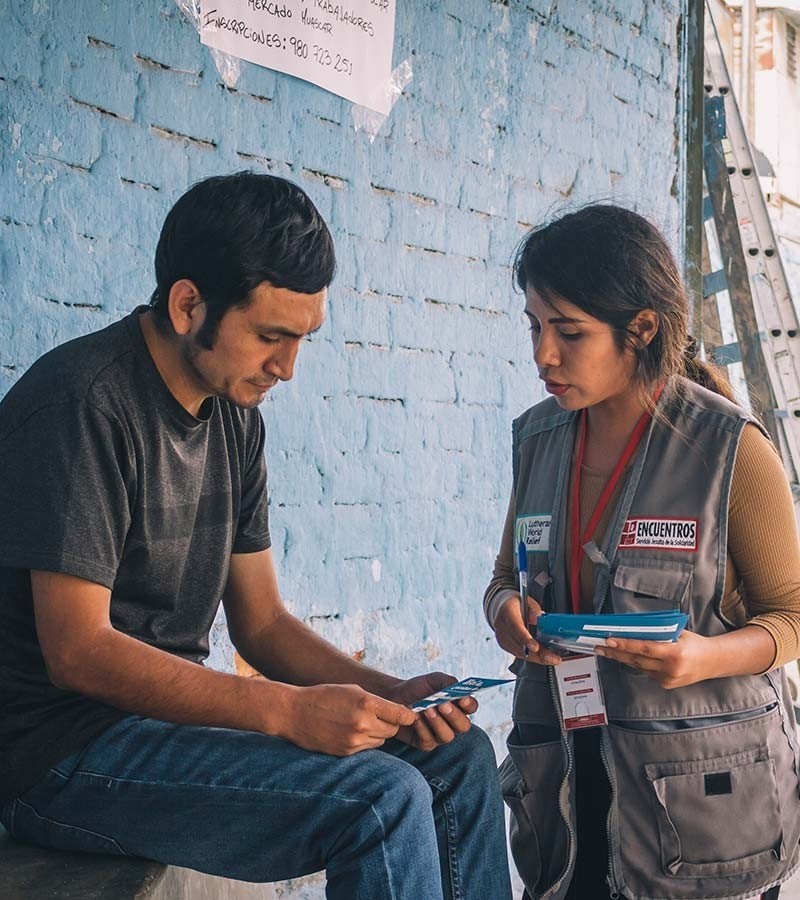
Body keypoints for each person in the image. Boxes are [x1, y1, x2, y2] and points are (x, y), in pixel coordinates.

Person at [0, 171, 513, 900]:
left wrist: (392, 694)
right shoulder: (84, 406)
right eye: (270, 336)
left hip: (164, 732)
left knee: (455, 761)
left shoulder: (234, 416)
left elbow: (263, 622)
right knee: (382, 798)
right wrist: (286, 711)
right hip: (59, 755)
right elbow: (78, 652)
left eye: (302, 339)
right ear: (188, 305)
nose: (288, 367)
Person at [484, 204, 800, 900]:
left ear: (643, 330)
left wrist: (703, 657)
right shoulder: (538, 440)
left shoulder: (728, 450)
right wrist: (506, 609)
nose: (543, 354)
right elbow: (506, 575)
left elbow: (792, 618)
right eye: (535, 327)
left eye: (569, 332)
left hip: (697, 802)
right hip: (568, 783)